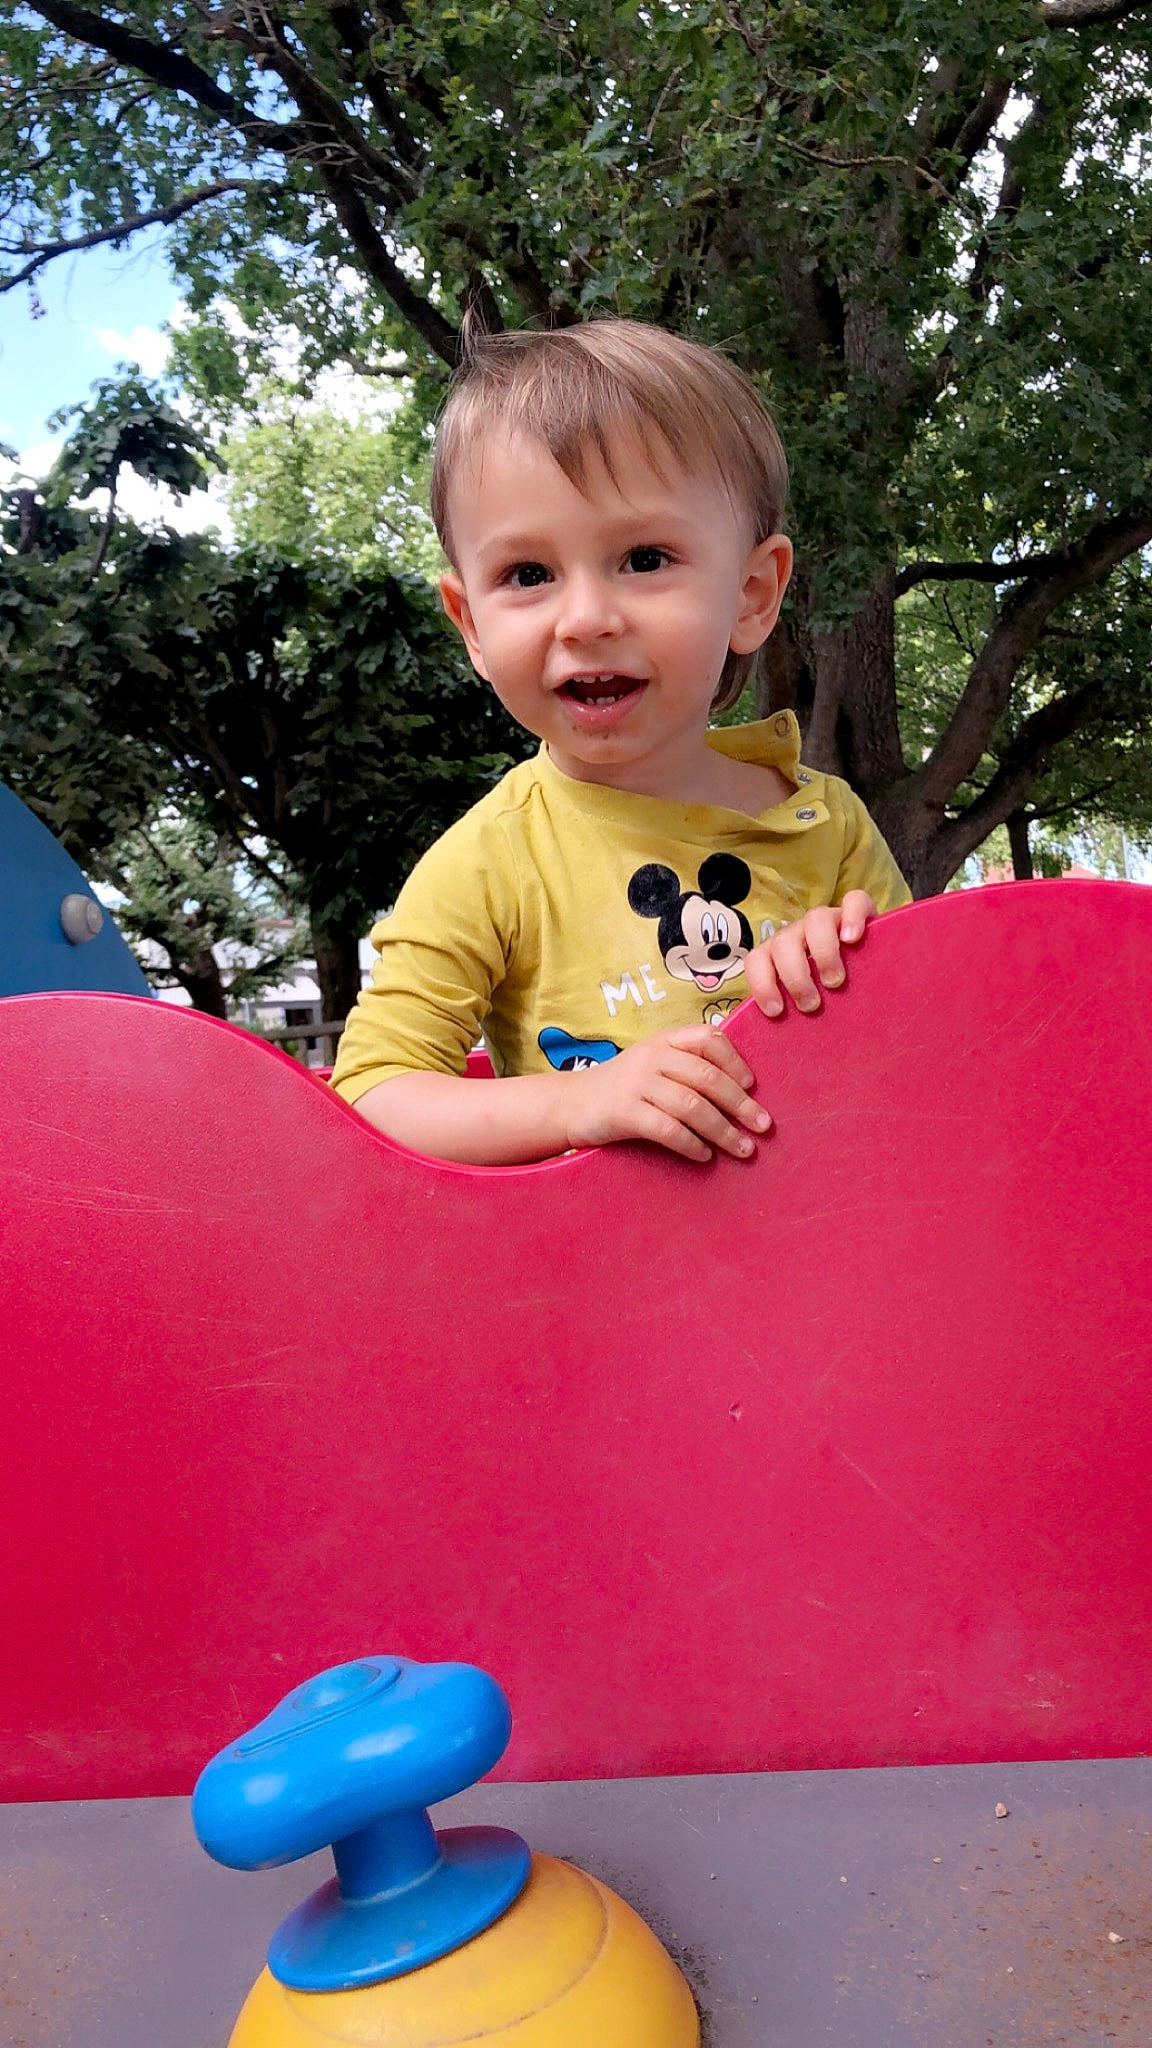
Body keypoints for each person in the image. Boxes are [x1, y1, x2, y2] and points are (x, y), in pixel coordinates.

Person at [331, 319, 911, 1165]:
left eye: (644, 557)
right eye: (527, 575)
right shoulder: (494, 861)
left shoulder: (826, 826)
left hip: (827, 1259)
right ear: (472, 627)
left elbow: (938, 1054)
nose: (588, 619)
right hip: (607, 1285)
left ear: (751, 594)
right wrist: (579, 1099)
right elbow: (374, 1092)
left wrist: (867, 989)